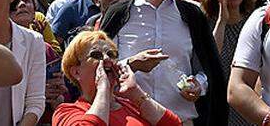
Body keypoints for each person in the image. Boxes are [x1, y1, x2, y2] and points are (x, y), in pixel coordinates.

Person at [99, 0, 228, 125]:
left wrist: (200, 85)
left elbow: (208, 69)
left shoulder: (192, 15)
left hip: (179, 120)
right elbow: (98, 65)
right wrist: (132, 64)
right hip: (127, 120)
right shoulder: (119, 13)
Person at [53, 31, 181, 126]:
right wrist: (102, 88)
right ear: (76, 72)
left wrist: (135, 92)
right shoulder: (67, 112)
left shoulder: (131, 104)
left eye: (111, 54)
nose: (107, 59)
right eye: (96, 55)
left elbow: (174, 124)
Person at [201, 0, 255, 126]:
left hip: (246, 112)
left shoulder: (255, 22)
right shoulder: (202, 21)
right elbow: (210, 62)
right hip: (213, 110)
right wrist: (222, 21)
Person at [13, 0, 68, 118]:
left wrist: (58, 91)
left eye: (26, 1)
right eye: (16, 2)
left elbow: (63, 94)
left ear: (34, 12)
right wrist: (36, 92)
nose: (21, 4)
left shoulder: (46, 49)